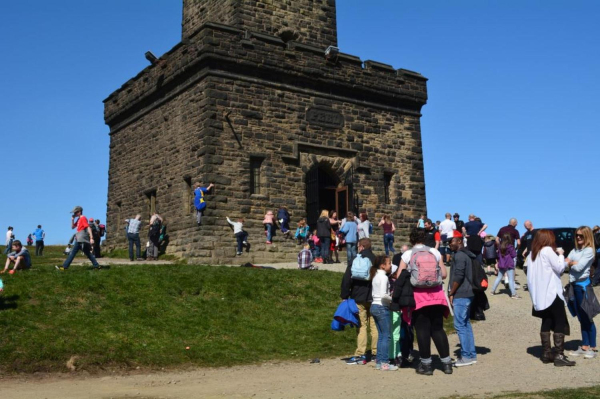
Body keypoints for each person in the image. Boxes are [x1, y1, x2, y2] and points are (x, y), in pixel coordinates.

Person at [399, 229, 452, 375]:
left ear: (411, 239)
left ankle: (426, 365)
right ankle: (447, 364)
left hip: (418, 297)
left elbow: (399, 276)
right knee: (438, 329)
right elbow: (444, 274)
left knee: (422, 330)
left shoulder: (408, 254)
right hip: (437, 296)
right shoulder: (435, 252)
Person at [526, 229, 575, 366]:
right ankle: (559, 355)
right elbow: (559, 268)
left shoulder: (532, 254)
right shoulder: (547, 250)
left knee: (546, 321)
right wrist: (561, 255)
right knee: (559, 321)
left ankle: (546, 353)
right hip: (551, 292)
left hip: (540, 295)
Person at [341, 238, 378, 364]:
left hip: (358, 296)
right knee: (374, 326)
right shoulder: (376, 260)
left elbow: (347, 279)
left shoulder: (355, 260)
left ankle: (360, 354)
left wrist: (345, 295)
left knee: (361, 326)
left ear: (361, 246)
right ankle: (375, 353)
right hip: (374, 297)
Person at [565, 226, 597, 358]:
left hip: (583, 287)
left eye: (581, 236)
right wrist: (572, 262)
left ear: (587, 236)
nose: (578, 237)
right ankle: (584, 345)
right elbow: (566, 263)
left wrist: (570, 263)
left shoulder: (589, 251)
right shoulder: (574, 250)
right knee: (580, 316)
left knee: (587, 316)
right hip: (574, 286)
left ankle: (593, 347)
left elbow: (578, 268)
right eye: (577, 235)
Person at [447, 236, 478, 367]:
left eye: (451, 242)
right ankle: (471, 354)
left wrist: (451, 292)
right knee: (466, 324)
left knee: (460, 324)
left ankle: (466, 356)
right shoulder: (467, 255)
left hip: (462, 293)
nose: (449, 245)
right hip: (469, 293)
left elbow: (459, 275)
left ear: (459, 241)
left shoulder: (460, 255)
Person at [370, 255, 398, 371]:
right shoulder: (384, 278)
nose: (390, 265)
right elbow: (383, 295)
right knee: (386, 336)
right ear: (382, 265)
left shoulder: (375, 276)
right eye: (389, 263)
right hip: (382, 306)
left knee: (381, 336)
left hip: (374, 306)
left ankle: (380, 361)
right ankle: (385, 362)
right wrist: (393, 298)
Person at [56, 206, 100, 271]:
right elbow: (72, 227)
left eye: (75, 212)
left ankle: (64, 267)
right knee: (87, 253)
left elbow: (88, 227)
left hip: (81, 238)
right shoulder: (79, 219)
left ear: (79, 212)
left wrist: (91, 238)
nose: (74, 214)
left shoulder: (83, 218)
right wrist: (72, 220)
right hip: (79, 237)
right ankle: (96, 266)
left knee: (73, 253)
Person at [491, 233, 520, 298]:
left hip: (501, 264)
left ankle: (492, 291)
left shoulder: (500, 246)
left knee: (498, 278)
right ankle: (513, 294)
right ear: (509, 238)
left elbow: (498, 255)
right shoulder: (510, 246)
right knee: (511, 279)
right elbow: (514, 255)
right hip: (509, 264)